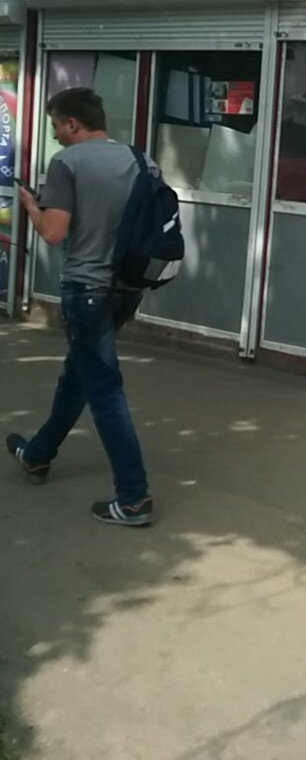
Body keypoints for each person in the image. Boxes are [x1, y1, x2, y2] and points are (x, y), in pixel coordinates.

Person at [6, 87, 153, 527]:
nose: (55, 135)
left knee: (104, 389)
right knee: (80, 374)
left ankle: (133, 498)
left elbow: (54, 233)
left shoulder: (67, 163)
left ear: (73, 123)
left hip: (86, 289)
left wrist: (32, 206)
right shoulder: (141, 160)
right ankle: (37, 454)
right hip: (126, 288)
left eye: (56, 126)